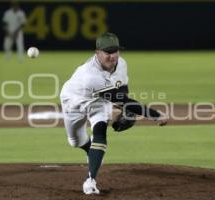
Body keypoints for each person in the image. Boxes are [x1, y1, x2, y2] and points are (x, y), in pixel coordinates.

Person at [60, 32, 168, 195]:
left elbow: (122, 89)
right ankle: (91, 149)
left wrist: (122, 110)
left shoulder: (122, 64)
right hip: (74, 101)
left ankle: (90, 181)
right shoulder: (90, 75)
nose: (112, 56)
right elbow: (121, 99)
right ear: (97, 53)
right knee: (75, 141)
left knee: (100, 129)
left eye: (115, 51)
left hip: (98, 102)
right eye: (107, 52)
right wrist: (154, 115)